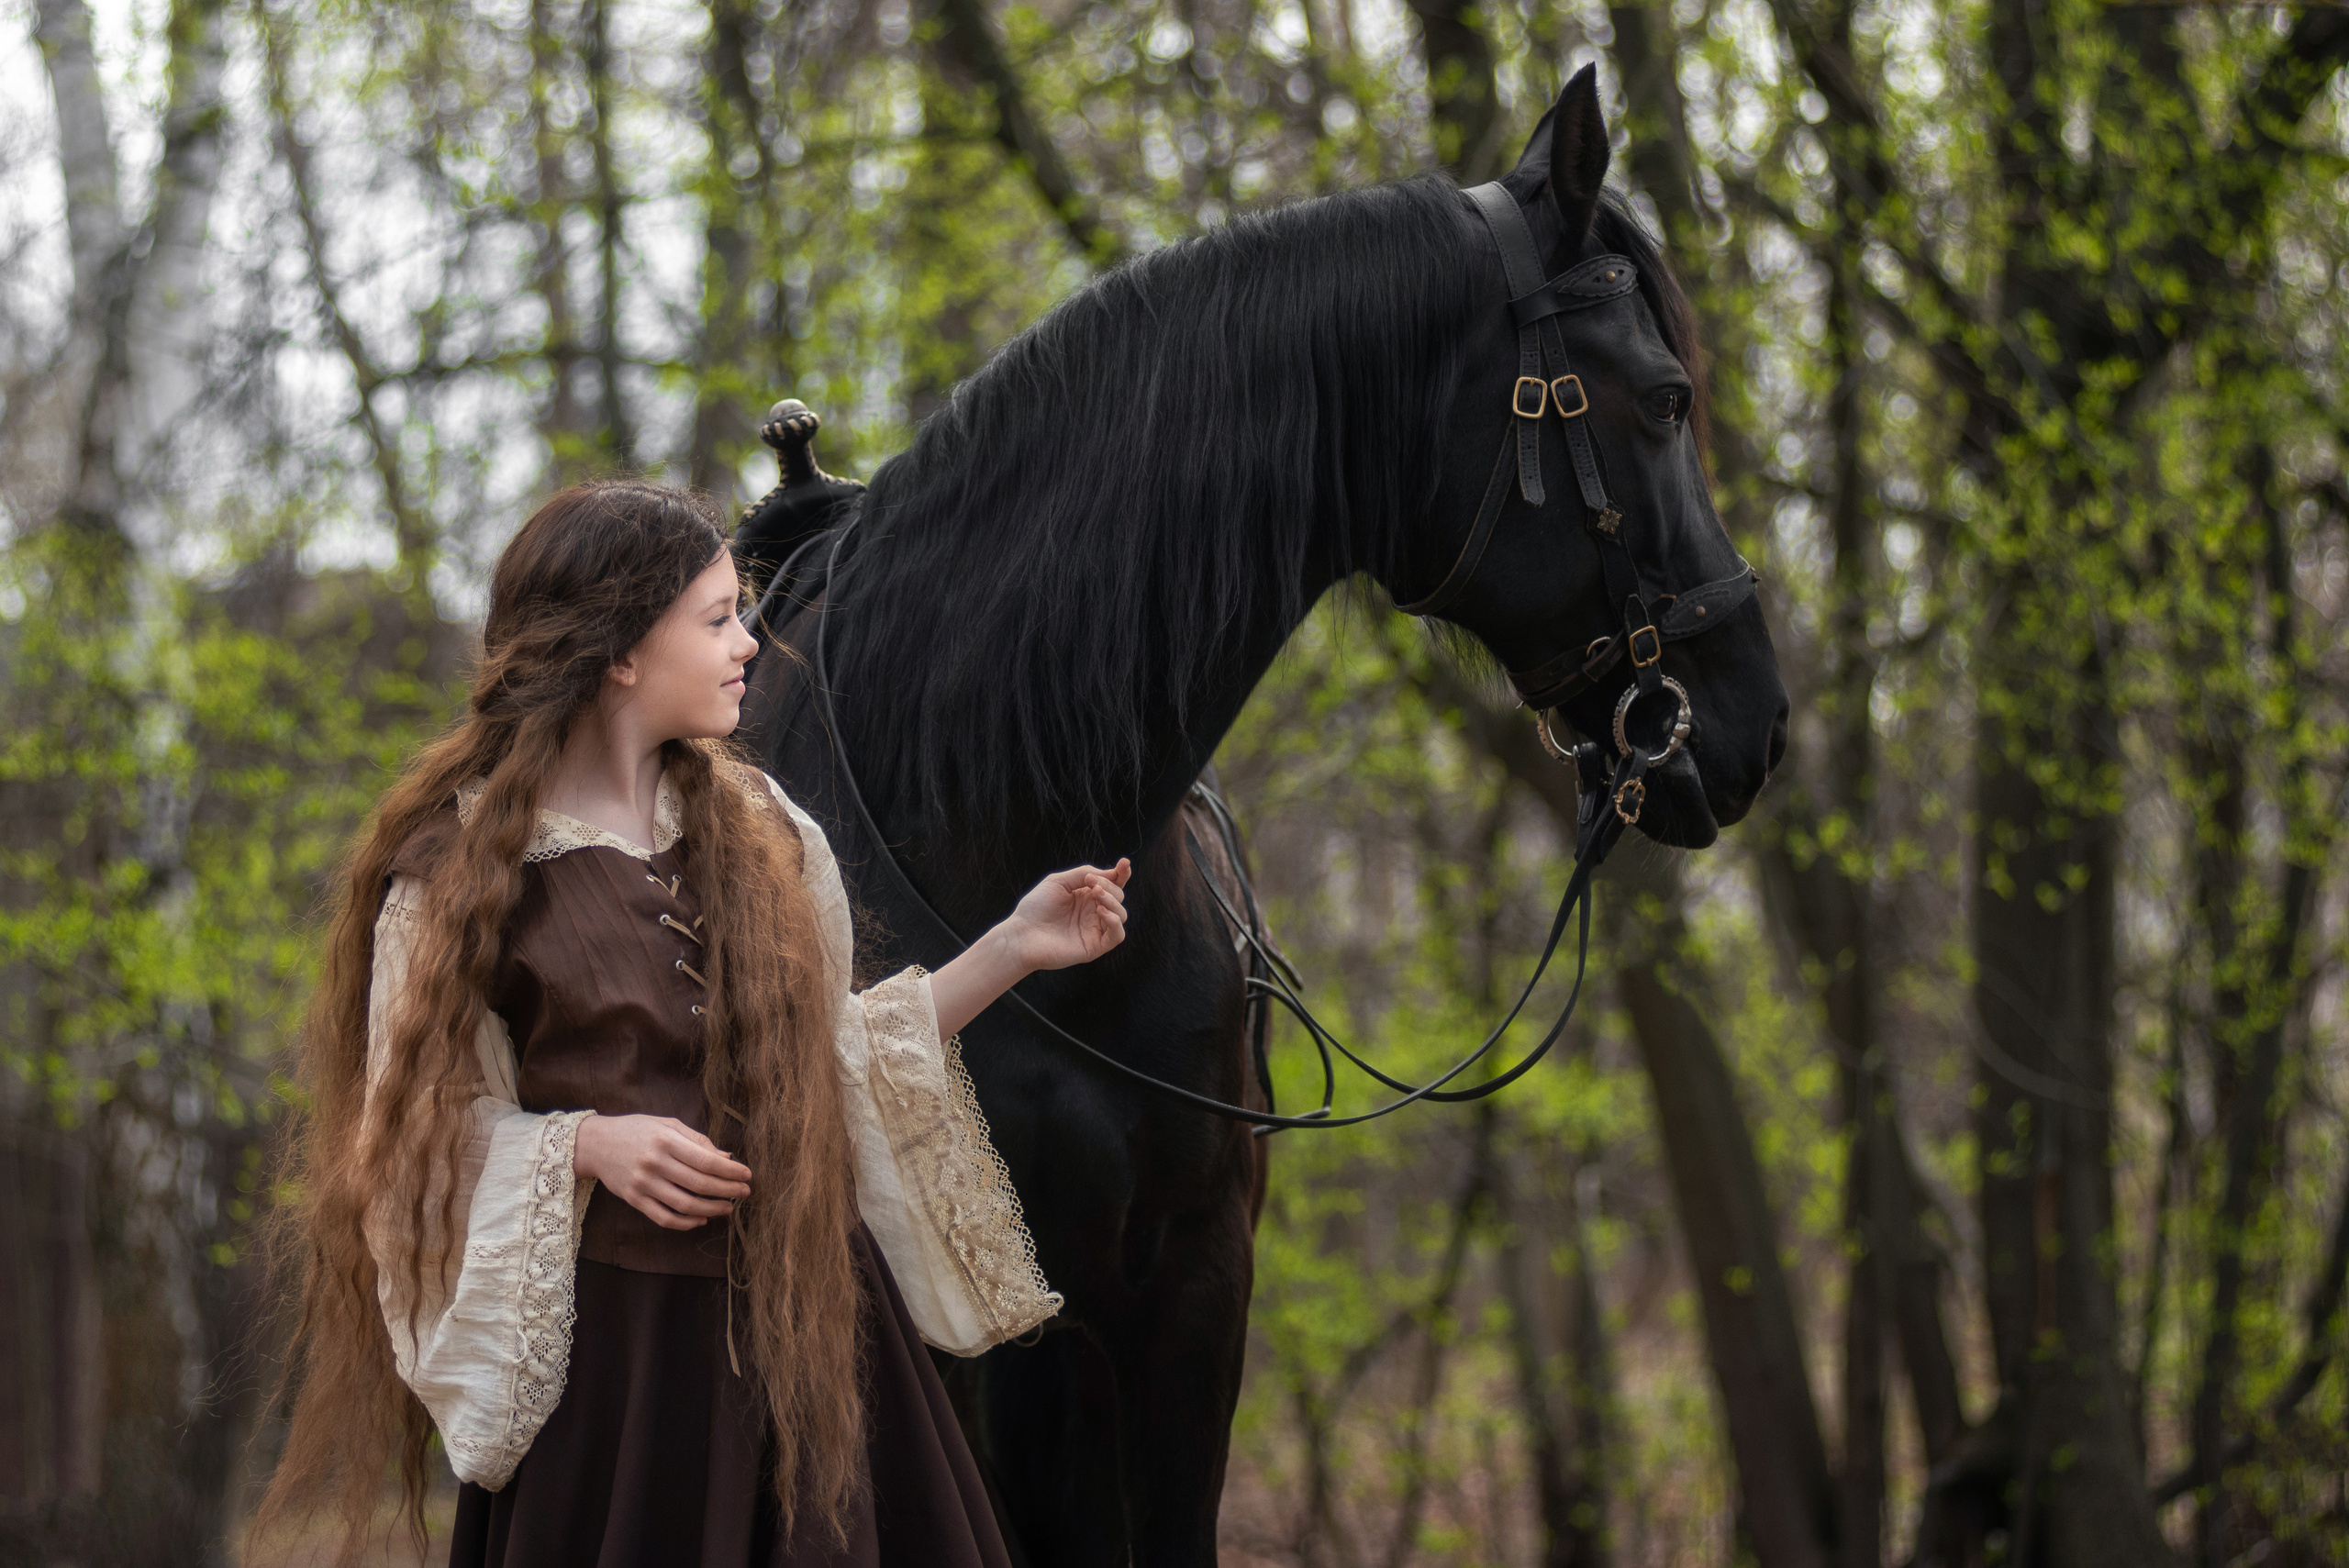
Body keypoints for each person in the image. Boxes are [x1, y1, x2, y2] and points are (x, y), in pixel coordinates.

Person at [252, 479, 1130, 1566]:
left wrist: (1013, 944)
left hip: (818, 1341)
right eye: (715, 617)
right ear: (621, 649)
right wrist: (586, 1143)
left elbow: (834, 1065)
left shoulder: (765, 829)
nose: (748, 644)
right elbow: (407, 1137)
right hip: (629, 1376)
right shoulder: (457, 874)